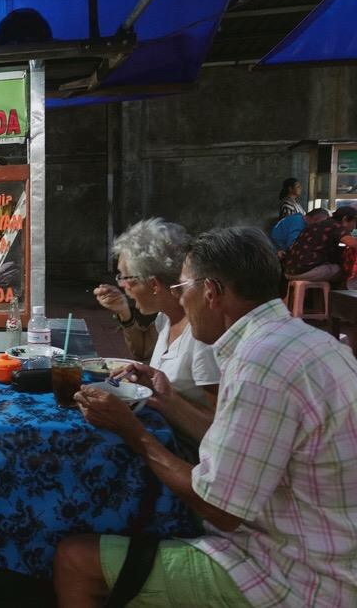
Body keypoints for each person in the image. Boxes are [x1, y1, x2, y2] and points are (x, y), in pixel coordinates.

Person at [56, 227, 357, 608]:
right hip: (325, 546)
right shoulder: (302, 340)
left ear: (211, 292)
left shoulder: (259, 365)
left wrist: (131, 430)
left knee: (76, 558)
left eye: (183, 288)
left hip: (293, 574)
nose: (180, 299)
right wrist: (166, 400)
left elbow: (221, 509)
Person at [92, 219, 219, 456]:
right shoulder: (168, 317)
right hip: (162, 436)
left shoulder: (202, 336)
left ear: (153, 285)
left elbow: (220, 430)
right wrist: (123, 312)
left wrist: (163, 399)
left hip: (186, 457)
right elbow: (144, 353)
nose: (122, 285)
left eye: (124, 277)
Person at [283, 205, 357, 282]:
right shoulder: (337, 226)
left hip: (289, 271)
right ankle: (332, 293)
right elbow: (353, 244)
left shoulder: (320, 224)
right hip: (305, 271)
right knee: (346, 271)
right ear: (345, 219)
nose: (354, 227)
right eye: (354, 222)